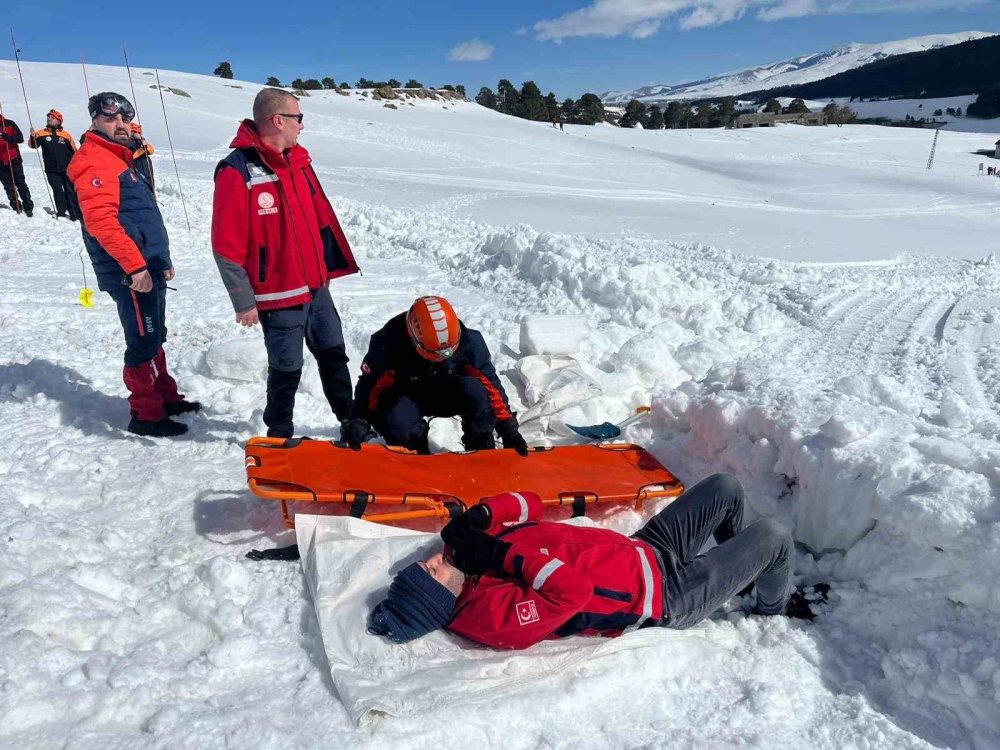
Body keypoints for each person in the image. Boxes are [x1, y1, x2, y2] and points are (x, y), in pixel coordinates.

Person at [369, 474, 814, 648]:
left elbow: (531, 503)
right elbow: (572, 592)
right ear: (439, 599)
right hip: (664, 596)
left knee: (725, 487)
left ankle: (745, 576)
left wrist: (484, 514)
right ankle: (772, 608)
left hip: (645, 549)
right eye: (431, 571)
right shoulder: (489, 618)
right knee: (774, 536)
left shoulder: (461, 558)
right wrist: (501, 551)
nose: (434, 558)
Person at [212, 87, 359, 438]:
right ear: (278, 121)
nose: (302, 126)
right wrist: (243, 299)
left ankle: (352, 421)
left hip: (316, 287)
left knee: (334, 355)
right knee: (286, 367)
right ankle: (279, 432)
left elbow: (319, 218)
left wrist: (327, 266)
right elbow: (225, 244)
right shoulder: (237, 171)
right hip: (278, 293)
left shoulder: (299, 161)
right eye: (298, 118)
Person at [67, 91, 200, 437]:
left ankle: (165, 397)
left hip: (147, 266)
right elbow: (101, 222)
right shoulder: (95, 160)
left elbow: (142, 217)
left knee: (155, 334)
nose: (121, 125)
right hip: (129, 272)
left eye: (125, 119)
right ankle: (146, 413)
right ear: (95, 121)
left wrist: (160, 260)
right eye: (111, 119)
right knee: (142, 339)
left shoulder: (120, 159)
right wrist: (135, 267)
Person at [341, 296, 528, 456]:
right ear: (415, 339)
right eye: (435, 354)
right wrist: (359, 420)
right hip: (408, 395)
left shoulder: (469, 341)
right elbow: (370, 387)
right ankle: (417, 455)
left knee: (477, 392)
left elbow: (490, 383)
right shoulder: (388, 345)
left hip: (448, 389)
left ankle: (480, 450)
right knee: (397, 422)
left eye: (448, 352)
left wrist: (507, 427)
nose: (441, 358)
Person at [28, 109, 78, 220]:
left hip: (67, 169)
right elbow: (33, 146)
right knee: (58, 191)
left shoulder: (66, 135)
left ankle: (74, 214)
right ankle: (61, 213)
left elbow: (75, 151)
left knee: (69, 191)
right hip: (51, 170)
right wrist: (32, 136)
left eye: (52, 117)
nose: (49, 119)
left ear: (59, 121)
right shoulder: (41, 133)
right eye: (48, 117)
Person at [0, 112, 33, 216]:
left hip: (14, 160)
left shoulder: (9, 123)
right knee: (8, 186)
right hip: (1, 163)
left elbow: (20, 138)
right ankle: (16, 206)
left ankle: (28, 207)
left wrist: (9, 138)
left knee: (21, 184)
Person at [129, 123, 155, 187]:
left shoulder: (141, 141)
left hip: (147, 171)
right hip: (136, 172)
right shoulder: (129, 143)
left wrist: (142, 140)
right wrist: (142, 149)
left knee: (149, 187)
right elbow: (132, 156)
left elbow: (151, 151)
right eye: (134, 132)